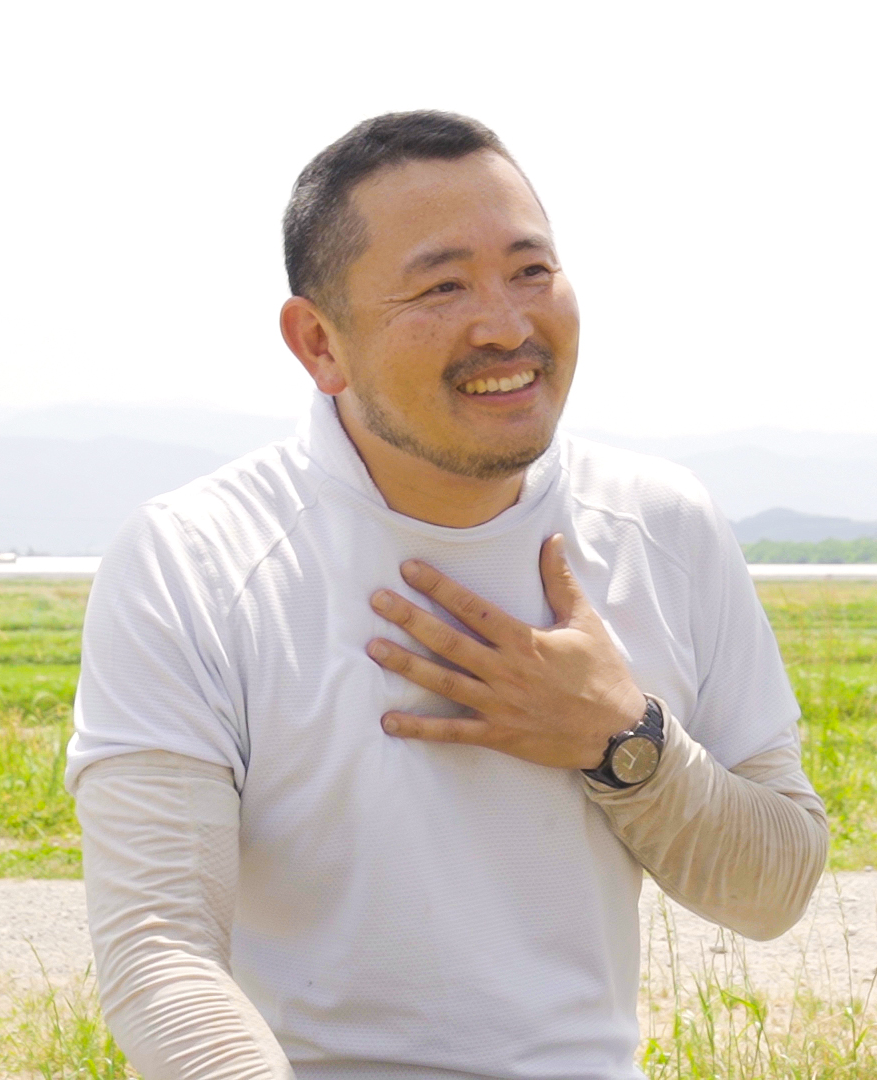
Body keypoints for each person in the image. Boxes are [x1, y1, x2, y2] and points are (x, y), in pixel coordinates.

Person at [66, 111, 829, 1080]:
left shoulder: (660, 526)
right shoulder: (195, 561)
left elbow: (776, 887)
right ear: (318, 343)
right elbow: (157, 950)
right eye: (442, 287)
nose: (507, 325)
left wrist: (623, 740)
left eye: (531, 270)